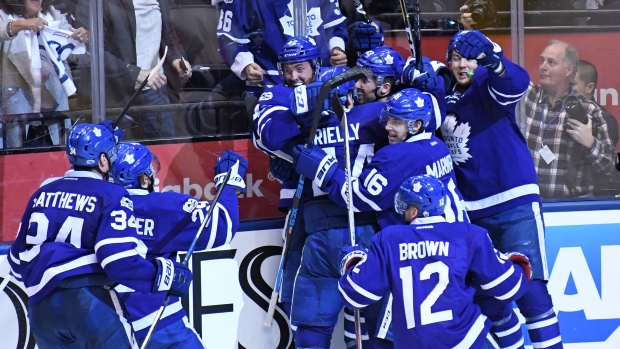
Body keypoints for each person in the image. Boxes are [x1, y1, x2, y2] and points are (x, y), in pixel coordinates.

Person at [7, 123, 192, 348]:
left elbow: (16, 263)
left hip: (40, 309)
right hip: (88, 304)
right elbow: (117, 260)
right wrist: (161, 276)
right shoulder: (113, 194)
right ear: (103, 161)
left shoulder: (43, 192)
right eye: (110, 158)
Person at [440, 29, 562, 348]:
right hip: (471, 216)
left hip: (514, 205)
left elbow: (517, 82)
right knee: (490, 306)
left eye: (468, 57)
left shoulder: (486, 84)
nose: (461, 64)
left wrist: (493, 58)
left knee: (532, 293)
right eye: (455, 58)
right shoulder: (440, 97)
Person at [338, 174, 532, 349]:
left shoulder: (388, 239)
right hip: (464, 340)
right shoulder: (468, 234)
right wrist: (519, 262)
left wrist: (352, 260)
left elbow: (357, 294)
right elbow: (507, 287)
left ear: (414, 212)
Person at [111, 143, 245, 348]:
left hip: (108, 323)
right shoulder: (162, 207)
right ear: (143, 179)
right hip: (157, 321)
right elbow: (222, 226)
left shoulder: (101, 206)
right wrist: (228, 182)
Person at [75, 0, 191, 140]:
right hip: (113, 96)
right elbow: (93, 51)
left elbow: (167, 29)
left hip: (155, 88)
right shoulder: (98, 3)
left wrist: (176, 57)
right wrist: (135, 73)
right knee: (115, 154)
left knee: (163, 152)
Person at [520, 40, 616, 198]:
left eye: (551, 62)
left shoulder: (589, 111)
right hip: (529, 201)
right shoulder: (526, 97)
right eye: (542, 60)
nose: (543, 67)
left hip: (571, 206)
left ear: (568, 70)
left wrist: (590, 143)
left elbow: (609, 168)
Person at [0, 0, 89, 148]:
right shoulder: (3, 15)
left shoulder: (53, 14)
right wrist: (23, 24)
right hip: (16, 120)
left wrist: (82, 39)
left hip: (55, 118)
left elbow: (74, 54)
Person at [216, 0, 348, 95]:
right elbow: (228, 38)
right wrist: (245, 65)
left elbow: (334, 26)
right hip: (269, 89)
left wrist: (337, 49)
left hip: (322, 86)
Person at [571, 59, 620, 196]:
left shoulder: (604, 120)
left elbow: (609, 170)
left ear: (589, 88)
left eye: (572, 84)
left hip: (589, 202)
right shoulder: (555, 115)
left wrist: (590, 143)